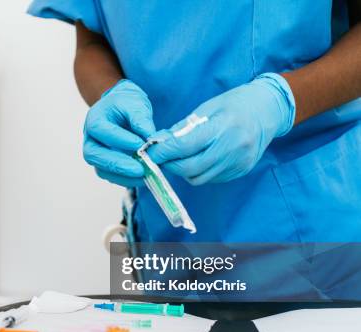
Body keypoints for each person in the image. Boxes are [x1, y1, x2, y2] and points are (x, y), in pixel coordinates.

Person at [28, 0, 361, 300]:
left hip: (315, 228)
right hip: (165, 236)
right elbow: (91, 41)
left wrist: (280, 101)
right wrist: (110, 94)